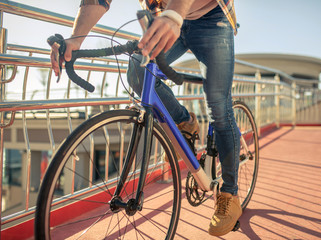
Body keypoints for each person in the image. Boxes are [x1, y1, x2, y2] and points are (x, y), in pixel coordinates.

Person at [50, 0, 241, 237]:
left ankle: (229, 193)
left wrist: (175, 14)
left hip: (211, 17)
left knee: (218, 106)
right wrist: (76, 39)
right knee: (139, 71)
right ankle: (184, 123)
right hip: (166, 18)